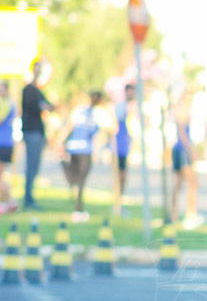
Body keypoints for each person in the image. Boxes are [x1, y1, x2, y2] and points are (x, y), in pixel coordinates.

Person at [57, 90, 112, 222]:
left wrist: (61, 140)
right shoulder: (96, 112)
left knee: (78, 177)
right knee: (81, 178)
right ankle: (78, 207)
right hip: (83, 149)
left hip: (76, 148)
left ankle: (77, 201)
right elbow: (109, 128)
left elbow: (69, 127)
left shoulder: (80, 110)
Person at [21, 59, 54, 210]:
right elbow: (33, 107)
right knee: (31, 165)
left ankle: (30, 197)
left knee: (35, 165)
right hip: (31, 131)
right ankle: (28, 198)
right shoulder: (28, 90)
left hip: (38, 132)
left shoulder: (38, 91)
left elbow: (48, 105)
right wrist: (43, 106)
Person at [171, 97, 199, 227]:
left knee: (179, 183)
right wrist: (190, 150)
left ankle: (174, 213)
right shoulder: (183, 111)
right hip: (182, 150)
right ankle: (190, 214)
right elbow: (182, 133)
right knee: (192, 183)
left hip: (179, 150)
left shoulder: (180, 111)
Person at [113, 83, 135, 215]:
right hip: (119, 146)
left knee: (124, 175)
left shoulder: (134, 107)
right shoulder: (121, 106)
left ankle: (120, 202)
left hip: (126, 146)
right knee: (120, 175)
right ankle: (117, 203)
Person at [0, 80, 18, 214]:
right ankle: (11, 201)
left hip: (3, 144)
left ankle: (4, 204)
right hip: (6, 143)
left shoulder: (6, 104)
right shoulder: (9, 103)